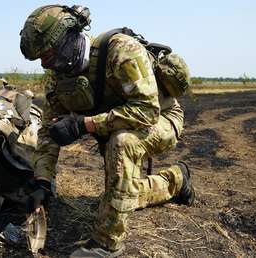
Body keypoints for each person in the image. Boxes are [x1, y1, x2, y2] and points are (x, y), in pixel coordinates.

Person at [19, 4, 195, 258]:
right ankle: (177, 180)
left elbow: (147, 111)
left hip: (160, 119)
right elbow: (48, 132)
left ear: (69, 37)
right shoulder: (58, 78)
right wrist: (42, 183)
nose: (46, 63)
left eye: (48, 53)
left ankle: (106, 244)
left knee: (122, 143)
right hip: (117, 123)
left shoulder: (120, 51)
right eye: (41, 59)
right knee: (121, 195)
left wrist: (84, 125)